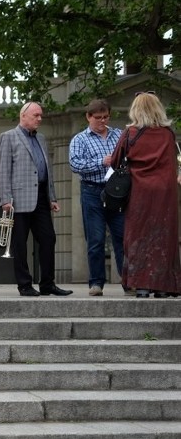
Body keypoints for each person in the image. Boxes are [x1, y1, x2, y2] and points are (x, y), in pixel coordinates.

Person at [109, 92, 181, 298]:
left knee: (137, 235)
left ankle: (140, 285)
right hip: (164, 193)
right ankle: (164, 286)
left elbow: (115, 161)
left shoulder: (130, 133)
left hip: (139, 192)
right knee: (164, 236)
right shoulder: (168, 134)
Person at [0, 102, 73, 297]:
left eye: (41, 115)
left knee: (48, 238)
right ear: (23, 116)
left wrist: (52, 197)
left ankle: (47, 283)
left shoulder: (41, 138)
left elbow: (47, 169)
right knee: (20, 244)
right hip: (18, 199)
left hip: (40, 197)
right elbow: (3, 170)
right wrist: (5, 198)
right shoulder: (8, 137)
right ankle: (24, 284)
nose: (40, 119)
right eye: (36, 115)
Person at [69, 99, 125, 296]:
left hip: (116, 191)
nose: (102, 121)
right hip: (92, 191)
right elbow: (75, 165)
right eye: (98, 117)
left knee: (122, 237)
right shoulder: (79, 139)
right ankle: (96, 283)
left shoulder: (119, 135)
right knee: (95, 239)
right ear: (88, 117)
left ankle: (128, 281)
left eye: (105, 117)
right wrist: (102, 162)